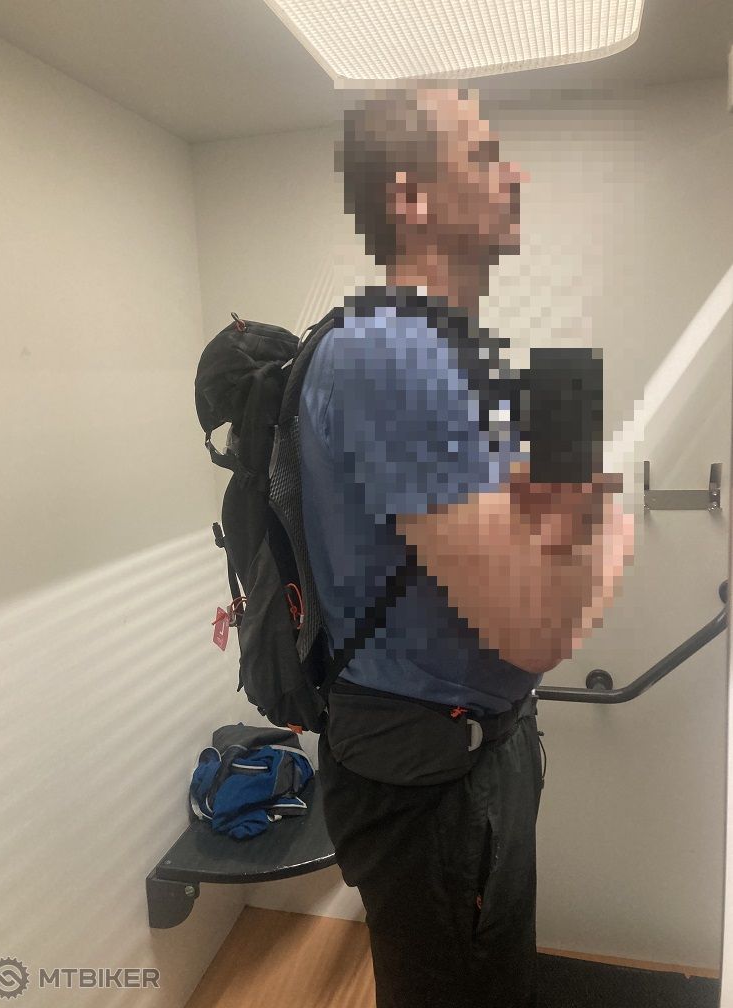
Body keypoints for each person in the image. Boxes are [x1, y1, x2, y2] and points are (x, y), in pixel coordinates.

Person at [298, 85, 634, 1008]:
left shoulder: (449, 358)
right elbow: (538, 630)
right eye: (484, 156)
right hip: (432, 778)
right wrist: (605, 528)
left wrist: (559, 518)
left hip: (471, 747)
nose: (513, 175)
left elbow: (517, 560)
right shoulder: (393, 358)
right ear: (411, 198)